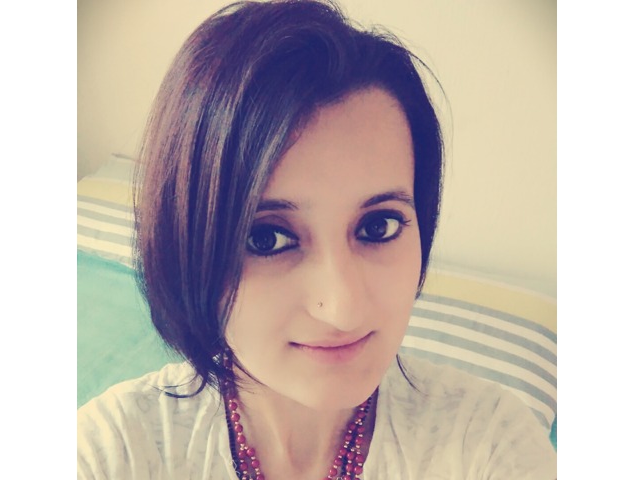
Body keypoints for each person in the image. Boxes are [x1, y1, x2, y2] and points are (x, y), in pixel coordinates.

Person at [77, 1, 557, 478]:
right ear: (186, 246)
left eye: (378, 227)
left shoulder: (490, 446)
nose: (342, 309)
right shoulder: (111, 451)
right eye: (267, 238)